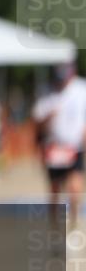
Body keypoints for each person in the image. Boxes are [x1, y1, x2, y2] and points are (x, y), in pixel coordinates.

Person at [32, 62, 86, 242]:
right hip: (53, 149)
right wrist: (48, 117)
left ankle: (72, 225)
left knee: (75, 189)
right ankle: (55, 231)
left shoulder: (81, 89)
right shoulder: (47, 91)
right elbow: (36, 120)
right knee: (55, 191)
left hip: (74, 148)